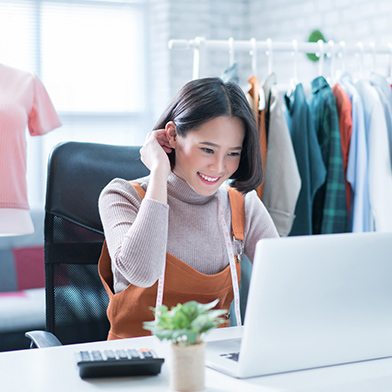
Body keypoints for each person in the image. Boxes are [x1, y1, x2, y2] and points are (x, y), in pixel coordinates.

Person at [98, 77, 279, 340]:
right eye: (207, 149)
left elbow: (285, 282)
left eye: (232, 153)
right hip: (137, 364)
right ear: (172, 135)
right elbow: (142, 273)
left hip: (213, 365)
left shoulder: (242, 204)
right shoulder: (121, 196)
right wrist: (160, 171)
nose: (219, 167)